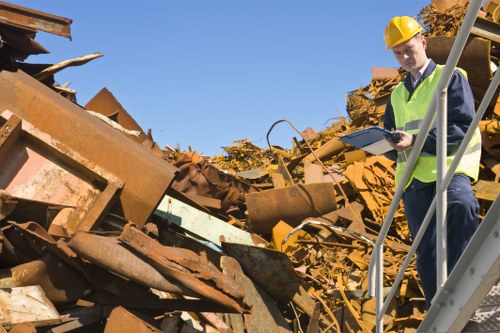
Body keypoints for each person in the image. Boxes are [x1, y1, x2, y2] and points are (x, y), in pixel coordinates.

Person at [382, 16, 482, 309]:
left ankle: (470, 295)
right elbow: (393, 139)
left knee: (462, 206)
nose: (404, 57)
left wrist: (414, 141)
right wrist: (386, 145)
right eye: (397, 53)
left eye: (408, 48)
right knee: (426, 252)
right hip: (414, 182)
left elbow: (462, 127)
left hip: (449, 171)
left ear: (422, 42)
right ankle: (439, 310)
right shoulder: (397, 94)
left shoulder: (451, 77)